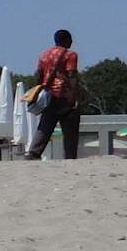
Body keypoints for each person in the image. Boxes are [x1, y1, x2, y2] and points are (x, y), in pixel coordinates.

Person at [25, 29, 83, 160]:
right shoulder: (70, 55)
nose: (72, 43)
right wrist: (76, 97)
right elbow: (72, 75)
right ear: (66, 40)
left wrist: (39, 90)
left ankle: (33, 152)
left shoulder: (44, 55)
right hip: (64, 95)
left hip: (48, 95)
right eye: (70, 40)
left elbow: (39, 75)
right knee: (70, 128)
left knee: (45, 126)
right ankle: (70, 155)